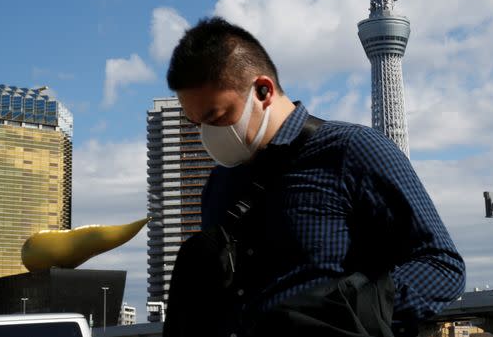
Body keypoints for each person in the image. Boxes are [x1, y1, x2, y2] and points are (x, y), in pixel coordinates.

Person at [163, 17, 465, 337]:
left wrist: (348, 311)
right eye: (197, 124)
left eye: (216, 116)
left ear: (263, 90)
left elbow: (442, 266)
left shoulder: (353, 151)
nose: (207, 135)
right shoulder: (218, 184)